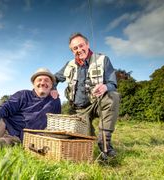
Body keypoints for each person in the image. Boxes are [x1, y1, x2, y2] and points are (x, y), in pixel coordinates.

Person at [51, 32, 120, 160]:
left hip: (97, 103)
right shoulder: (69, 64)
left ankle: (105, 144)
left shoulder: (103, 59)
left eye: (81, 45)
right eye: (75, 48)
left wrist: (105, 87)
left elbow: (112, 84)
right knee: (84, 143)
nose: (79, 50)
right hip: (78, 110)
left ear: (87, 44)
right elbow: (53, 78)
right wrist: (53, 88)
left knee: (113, 96)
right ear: (72, 51)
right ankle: (91, 136)